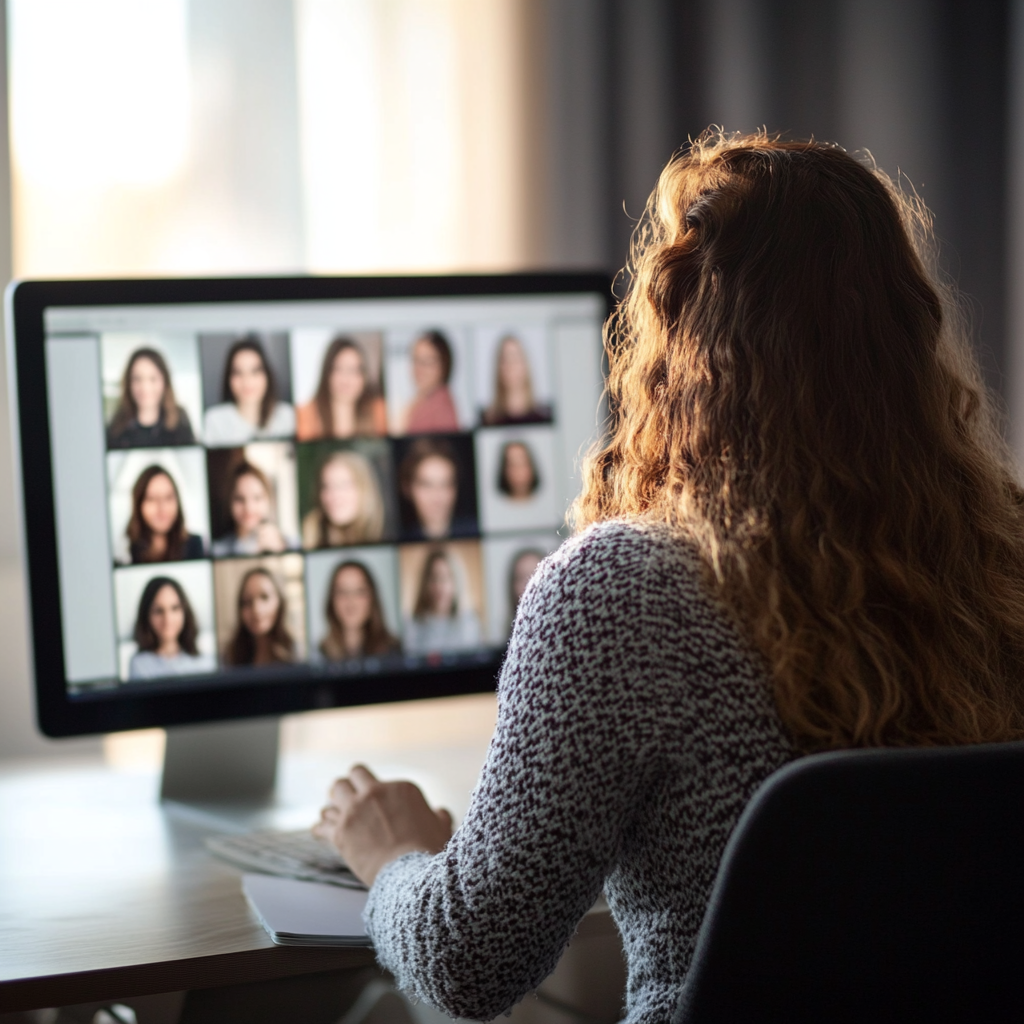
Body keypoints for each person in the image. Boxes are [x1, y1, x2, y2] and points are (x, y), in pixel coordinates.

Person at [314, 132, 1024, 1024]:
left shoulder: (622, 590)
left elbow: (470, 960)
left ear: (679, 344)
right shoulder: (1004, 562)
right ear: (905, 335)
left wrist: (392, 854)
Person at [204, 335, 296, 446]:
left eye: (255, 371)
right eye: (238, 373)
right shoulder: (215, 420)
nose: (247, 381)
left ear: (267, 375)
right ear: (229, 378)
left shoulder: (287, 416)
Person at [296, 336, 388, 440]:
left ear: (364, 376)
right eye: (339, 369)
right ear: (327, 372)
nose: (346, 379)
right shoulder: (305, 414)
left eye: (353, 370)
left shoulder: (379, 411)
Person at [128, 576, 215, 679]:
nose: (168, 619)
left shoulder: (205, 662)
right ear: (146, 615)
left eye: (175, 608)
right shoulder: (139, 665)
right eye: (158, 611)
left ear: (185, 611)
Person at [106, 348, 196, 448]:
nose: (145, 387)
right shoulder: (116, 427)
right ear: (128, 383)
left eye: (153, 379)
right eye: (137, 379)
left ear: (164, 381)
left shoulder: (180, 420)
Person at [401, 548, 481, 654]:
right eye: (434, 578)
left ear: (456, 582)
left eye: (445, 578)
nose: (439, 586)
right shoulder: (412, 626)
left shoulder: (470, 622)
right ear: (425, 583)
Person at [302, 450, 386, 549]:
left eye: (343, 485)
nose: (333, 495)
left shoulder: (385, 536)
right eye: (326, 486)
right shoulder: (312, 531)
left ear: (365, 489)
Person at [211, 460, 297, 556]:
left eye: (257, 498)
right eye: (239, 499)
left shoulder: (290, 543)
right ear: (229, 501)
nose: (249, 508)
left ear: (268, 500)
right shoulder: (217, 550)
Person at [121, 466, 204, 564]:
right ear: (139, 504)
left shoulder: (195, 544)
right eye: (152, 498)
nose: (162, 508)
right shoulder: (125, 551)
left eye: (168, 498)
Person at [319, 560, 400, 662]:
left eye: (359, 592)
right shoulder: (318, 654)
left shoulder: (395, 650)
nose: (350, 602)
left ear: (372, 599)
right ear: (331, 600)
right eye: (342, 592)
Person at [399, 438, 476, 540]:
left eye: (445, 485)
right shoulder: (402, 538)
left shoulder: (474, 530)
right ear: (407, 489)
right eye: (427, 485)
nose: (437, 498)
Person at [225, 566, 296, 666]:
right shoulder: (229, 657)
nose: (256, 610)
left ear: (280, 602)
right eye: (247, 602)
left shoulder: (296, 654)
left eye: (264, 597)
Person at [396, 330, 459, 434]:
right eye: (416, 360)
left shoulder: (441, 408)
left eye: (427, 361)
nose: (419, 369)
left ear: (443, 365)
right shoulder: (421, 400)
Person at [481, 334, 552, 426]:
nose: (510, 366)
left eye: (515, 358)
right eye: (504, 359)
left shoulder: (544, 417)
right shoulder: (488, 420)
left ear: (525, 365)